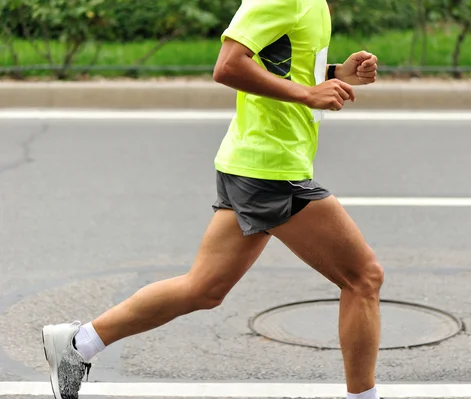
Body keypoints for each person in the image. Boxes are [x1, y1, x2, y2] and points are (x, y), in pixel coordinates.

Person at [41, 0, 383, 398]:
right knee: (363, 278)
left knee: (203, 288)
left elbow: (278, 65)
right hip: (270, 168)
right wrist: (308, 94)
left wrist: (336, 74)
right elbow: (228, 66)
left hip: (255, 163)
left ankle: (77, 345)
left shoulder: (313, 3)